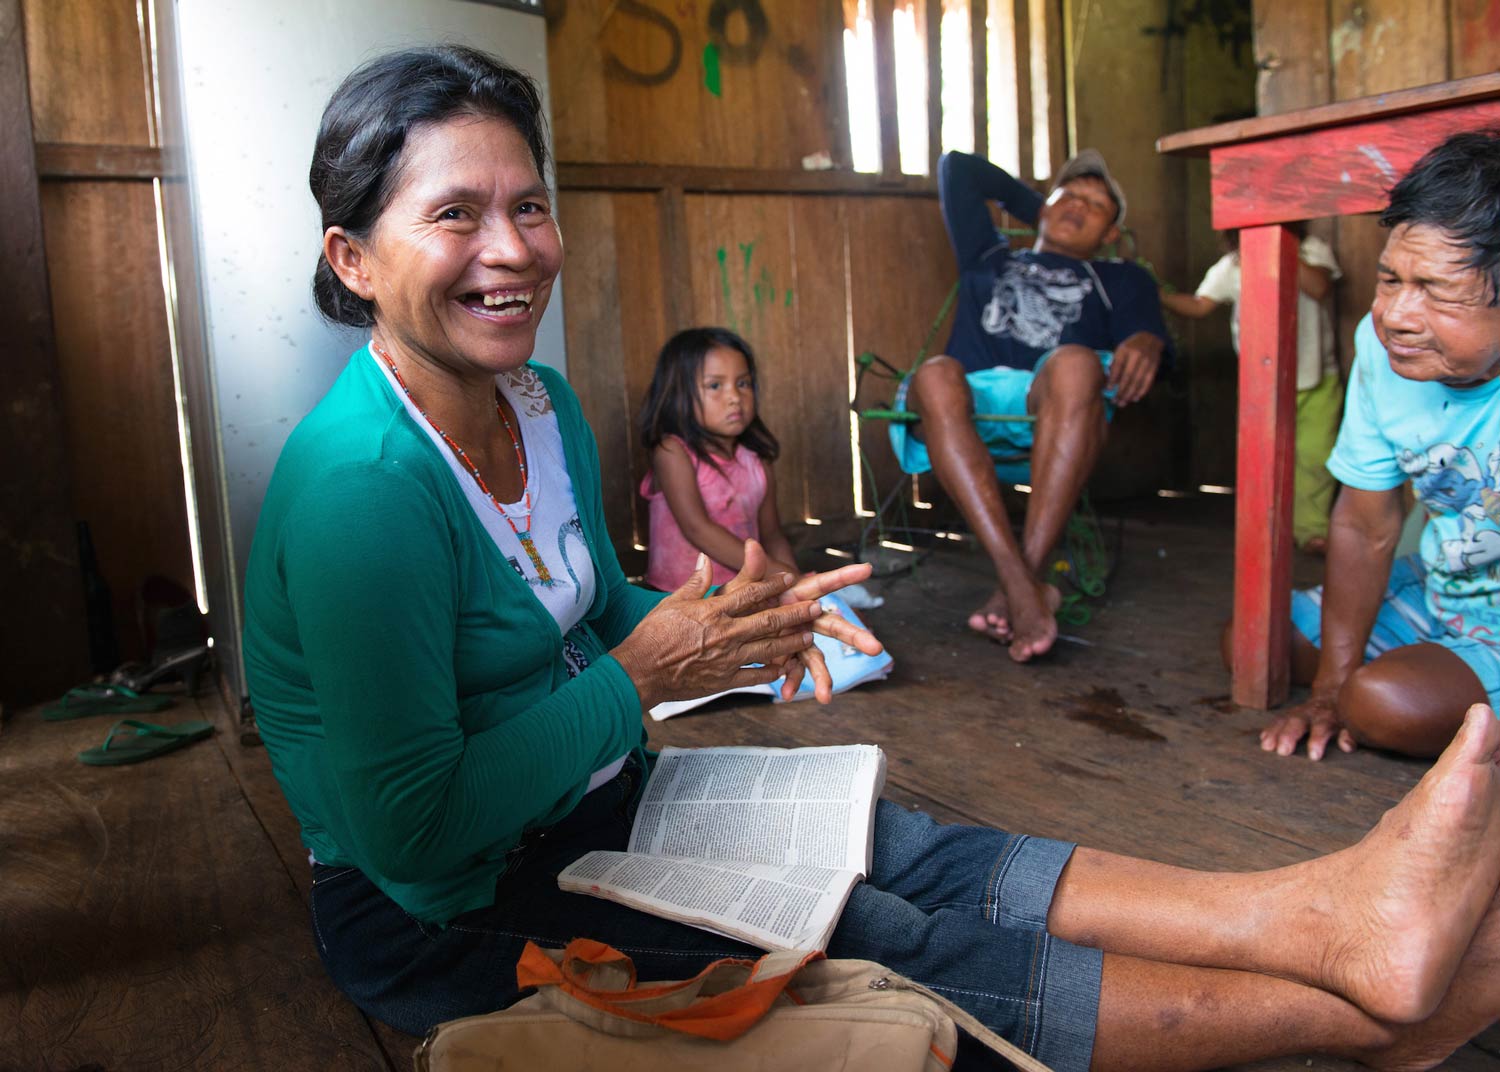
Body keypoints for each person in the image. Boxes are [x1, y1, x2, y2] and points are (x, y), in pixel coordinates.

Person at [244, 46, 1500, 1072]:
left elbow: (573, 609)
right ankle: (1364, 1015)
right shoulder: (366, 493)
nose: (511, 248)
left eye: (527, 206)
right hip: (446, 906)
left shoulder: (534, 401)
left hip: (581, 799)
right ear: (353, 260)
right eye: (454, 215)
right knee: (873, 931)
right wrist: (640, 673)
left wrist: (734, 617)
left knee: (899, 846)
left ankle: (1322, 914)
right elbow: (410, 835)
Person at [1257, 130, 1500, 763]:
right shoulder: (1383, 346)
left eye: (1437, 289)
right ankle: (1429, 670)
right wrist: (1329, 690)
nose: (1396, 314)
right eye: (1390, 278)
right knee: (1257, 641)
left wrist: (1355, 695)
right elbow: (1366, 523)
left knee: (1384, 704)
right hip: (1445, 588)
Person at [893, 149, 1171, 663]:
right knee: (932, 374)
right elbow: (958, 167)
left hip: (1057, 401)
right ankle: (1026, 589)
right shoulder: (988, 256)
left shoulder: (1122, 280)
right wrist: (1046, 205)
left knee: (1074, 362)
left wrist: (1148, 340)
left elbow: (1146, 343)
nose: (1080, 206)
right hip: (969, 400)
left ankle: (1017, 586)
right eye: (1071, 196)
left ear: (1111, 235)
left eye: (1097, 206)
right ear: (1044, 205)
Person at [1161, 225, 1345, 553]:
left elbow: (1319, 287)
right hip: (1263, 384)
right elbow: (1199, 305)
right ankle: (1267, 532)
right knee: (1264, 459)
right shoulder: (1232, 265)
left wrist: (1278, 247)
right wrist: (1154, 294)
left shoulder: (1312, 250)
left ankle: (1311, 530)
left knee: (1315, 456)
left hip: (1318, 377)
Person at [638, 326, 799, 588]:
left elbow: (772, 536)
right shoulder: (672, 452)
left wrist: (796, 584)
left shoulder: (757, 461)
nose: (735, 397)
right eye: (715, 385)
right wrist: (781, 575)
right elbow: (697, 529)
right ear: (680, 394)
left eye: (743, 383)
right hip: (681, 600)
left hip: (743, 591)